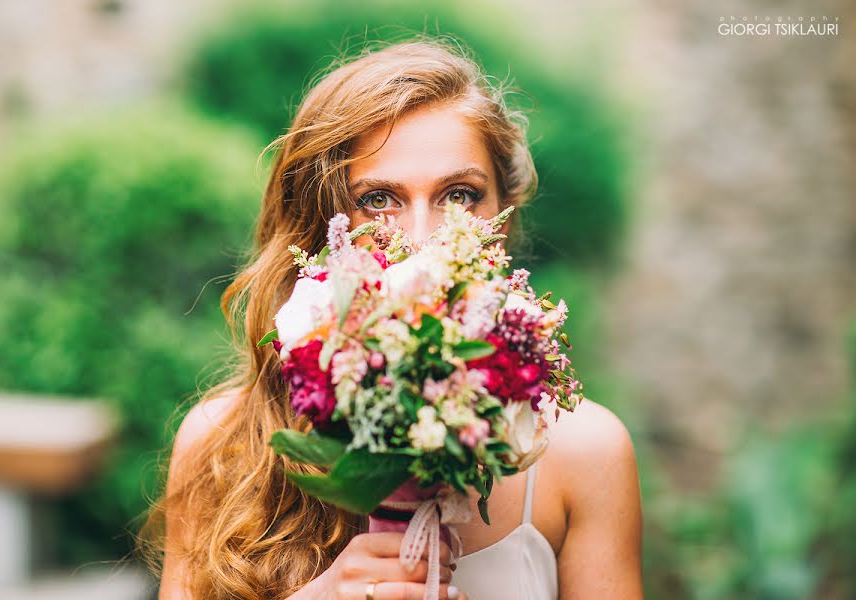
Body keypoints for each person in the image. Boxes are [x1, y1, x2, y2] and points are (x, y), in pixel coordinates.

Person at [139, 35, 644, 600]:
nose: (424, 238)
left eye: (460, 194)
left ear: (502, 215)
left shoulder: (586, 453)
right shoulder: (222, 446)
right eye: (379, 199)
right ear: (319, 221)